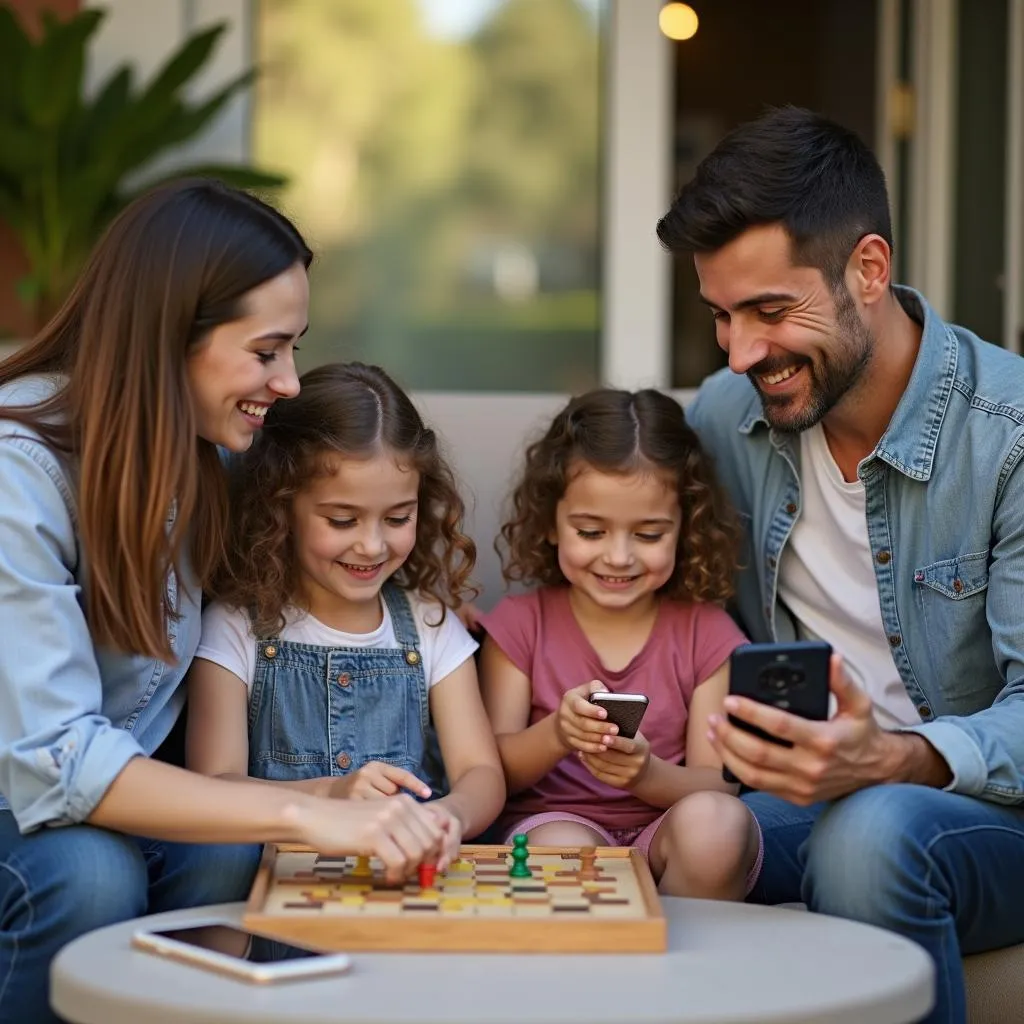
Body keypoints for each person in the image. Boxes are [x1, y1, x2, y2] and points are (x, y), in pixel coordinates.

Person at [0, 180, 446, 1024]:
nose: (287, 384)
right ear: (172, 336)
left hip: (104, 802)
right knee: (95, 872)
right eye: (267, 351)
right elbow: (57, 762)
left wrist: (333, 792)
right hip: (19, 807)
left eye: (294, 350)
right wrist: (306, 812)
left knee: (230, 844)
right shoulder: (18, 474)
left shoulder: (215, 456)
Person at [657, 105, 1024, 1023]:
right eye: (721, 316)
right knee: (677, 827)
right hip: (798, 799)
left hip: (983, 814)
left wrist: (897, 758)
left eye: (772, 312)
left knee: (871, 828)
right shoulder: (721, 421)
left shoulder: (1009, 441)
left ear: (867, 269)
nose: (741, 353)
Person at [186, 361, 506, 868]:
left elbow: (481, 772)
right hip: (276, 894)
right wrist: (333, 795)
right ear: (280, 505)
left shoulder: (430, 625)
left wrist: (450, 818)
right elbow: (214, 783)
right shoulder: (235, 626)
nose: (373, 544)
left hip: (401, 891)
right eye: (342, 519)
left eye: (398, 517)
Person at [478, 388, 762, 899]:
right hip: (554, 824)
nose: (618, 556)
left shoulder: (707, 633)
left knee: (718, 824)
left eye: (649, 535)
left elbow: (718, 785)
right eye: (591, 531)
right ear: (550, 523)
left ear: (685, 529)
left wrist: (645, 774)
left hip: (666, 830)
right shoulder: (520, 625)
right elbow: (490, 772)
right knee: (561, 851)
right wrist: (558, 734)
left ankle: (681, 967)